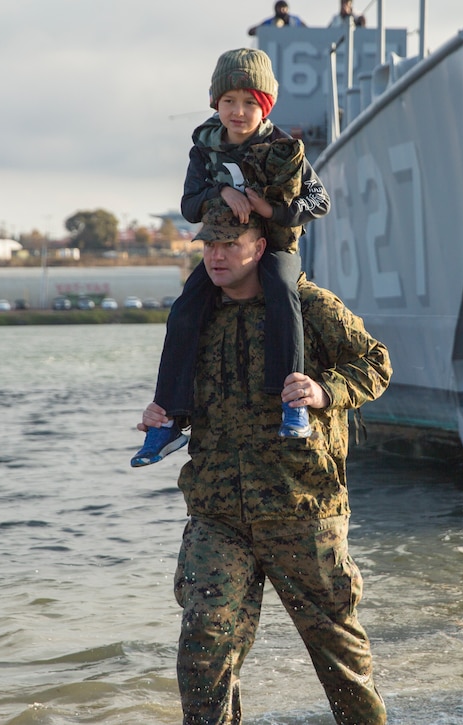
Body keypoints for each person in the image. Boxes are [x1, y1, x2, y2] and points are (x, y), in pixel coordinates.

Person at [139, 210, 391, 724]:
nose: (216, 255)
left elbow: (376, 364)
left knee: (336, 651)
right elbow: (190, 396)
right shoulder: (196, 314)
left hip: (300, 506)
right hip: (217, 512)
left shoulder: (307, 305)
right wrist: (164, 414)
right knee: (205, 635)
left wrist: (325, 391)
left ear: (260, 246)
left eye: (230, 244)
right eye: (209, 245)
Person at [132, 47, 331, 467]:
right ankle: (169, 419)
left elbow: (319, 201)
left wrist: (269, 211)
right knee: (185, 309)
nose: (238, 112)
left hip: (274, 244)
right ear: (215, 102)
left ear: (265, 106)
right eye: (228, 101)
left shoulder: (282, 146)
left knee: (282, 294)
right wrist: (221, 191)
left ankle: (292, 403)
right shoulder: (204, 147)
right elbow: (189, 205)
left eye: (249, 102)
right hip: (224, 245)